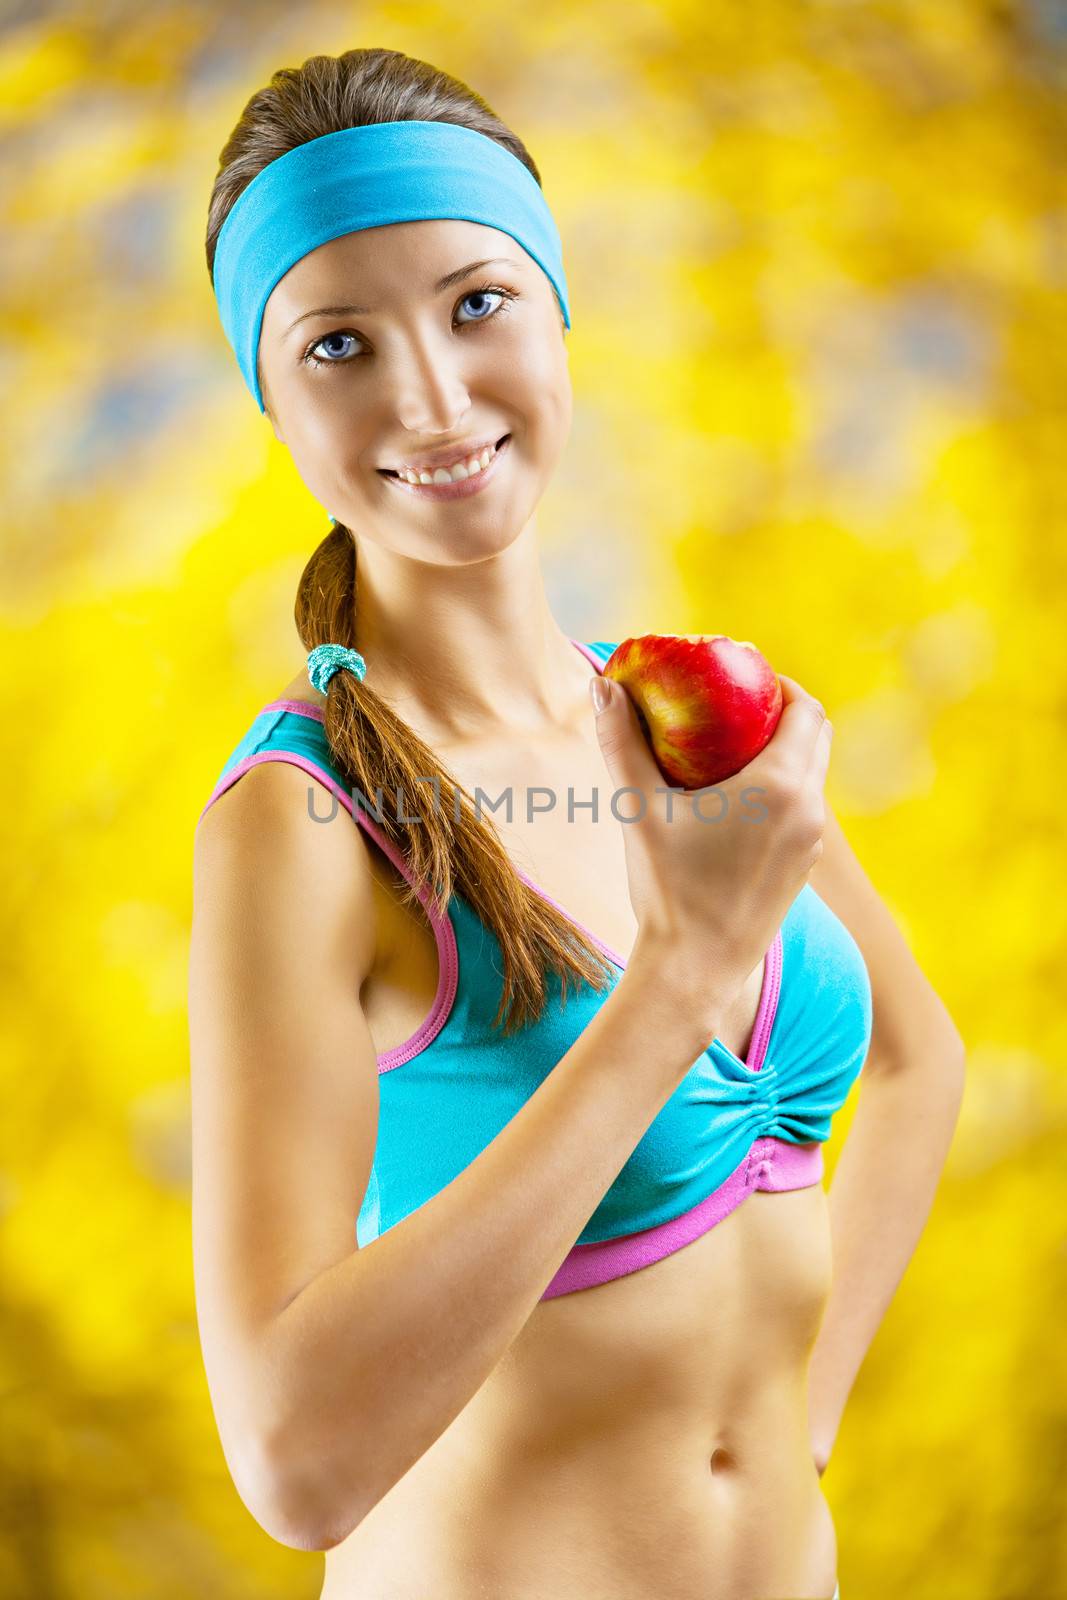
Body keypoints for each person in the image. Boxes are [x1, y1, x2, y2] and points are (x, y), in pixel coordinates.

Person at [188, 47, 861, 1600]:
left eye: (476, 303)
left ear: (559, 312)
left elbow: (911, 1060)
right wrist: (684, 978)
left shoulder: (665, 711)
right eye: (338, 345)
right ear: (272, 403)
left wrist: (801, 1437)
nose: (428, 394)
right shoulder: (301, 818)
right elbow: (293, 1463)